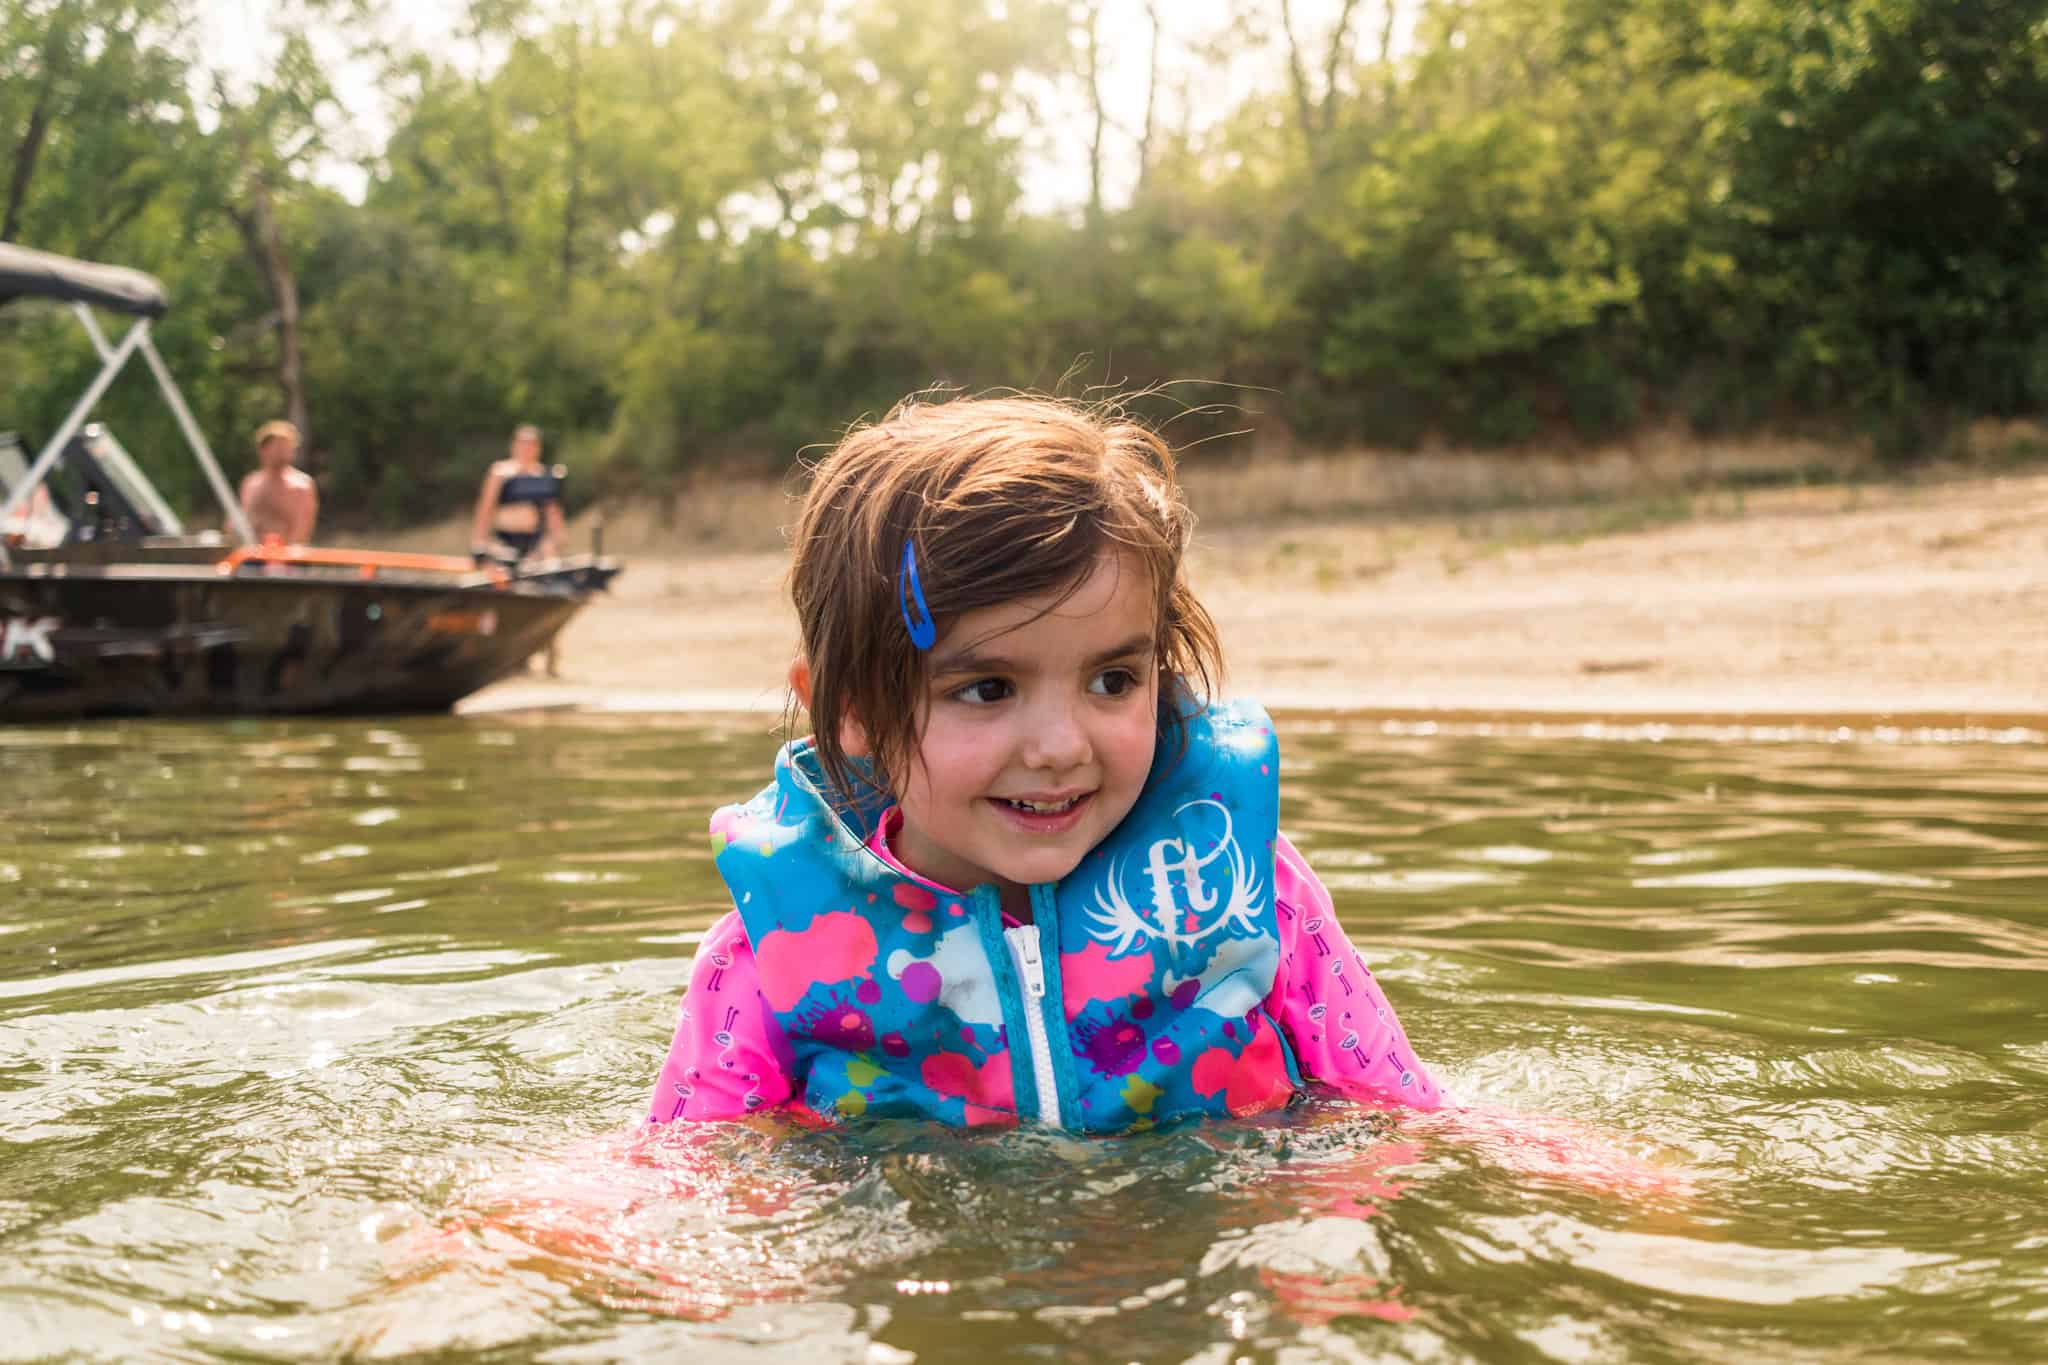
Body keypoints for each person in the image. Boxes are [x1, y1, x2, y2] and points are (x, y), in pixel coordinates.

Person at [647, 394, 1441, 1132]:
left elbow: (1404, 1114)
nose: (1062, 745)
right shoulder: (769, 953)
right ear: (853, 709)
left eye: (1112, 680)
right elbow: (683, 1179)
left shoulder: (1242, 882)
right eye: (988, 688)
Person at [470, 424, 565, 566]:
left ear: (538, 448)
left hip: (535, 542)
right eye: (523, 444)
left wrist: (558, 539)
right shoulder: (500, 472)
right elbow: (485, 508)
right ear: (514, 445)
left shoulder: (544, 475)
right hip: (504, 540)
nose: (526, 449)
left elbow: (552, 511)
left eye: (531, 444)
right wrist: (478, 541)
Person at [238, 420, 318, 544]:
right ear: (263, 449)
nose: (284, 452)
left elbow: (303, 526)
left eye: (288, 447)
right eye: (279, 446)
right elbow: (243, 519)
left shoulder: (301, 485)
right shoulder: (251, 483)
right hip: (253, 556)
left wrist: (284, 557)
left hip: (289, 557)